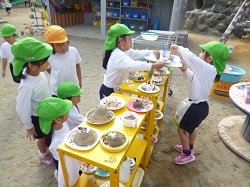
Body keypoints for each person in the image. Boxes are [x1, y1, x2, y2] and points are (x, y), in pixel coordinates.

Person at [170, 41, 229, 165]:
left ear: (209, 58)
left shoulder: (209, 69)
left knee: (181, 129)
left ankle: (187, 154)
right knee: (191, 129)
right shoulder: (207, 72)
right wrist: (185, 69)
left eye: (202, 52)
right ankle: (189, 147)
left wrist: (180, 48)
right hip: (200, 107)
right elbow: (192, 78)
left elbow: (191, 59)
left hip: (196, 107)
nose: (199, 53)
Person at [11, 37, 54, 165]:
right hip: (37, 117)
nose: (49, 63)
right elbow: (21, 107)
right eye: (45, 61)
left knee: (48, 134)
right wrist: (29, 126)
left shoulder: (37, 72)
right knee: (41, 138)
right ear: (31, 65)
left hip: (46, 112)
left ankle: (49, 149)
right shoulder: (27, 86)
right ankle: (43, 155)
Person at [99, 23, 166, 100]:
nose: (131, 41)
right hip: (107, 90)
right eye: (129, 38)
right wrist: (153, 66)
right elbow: (133, 65)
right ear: (121, 40)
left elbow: (139, 53)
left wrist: (153, 51)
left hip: (114, 88)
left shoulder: (124, 51)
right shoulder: (117, 54)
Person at [37, 97, 81, 186]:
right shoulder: (58, 141)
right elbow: (67, 162)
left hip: (65, 156)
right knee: (69, 179)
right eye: (67, 111)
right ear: (58, 120)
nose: (69, 111)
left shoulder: (61, 125)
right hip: (64, 163)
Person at [44, 25, 82, 96]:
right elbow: (48, 69)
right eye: (58, 45)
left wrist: (79, 81)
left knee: (73, 105)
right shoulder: (49, 56)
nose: (63, 47)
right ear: (51, 45)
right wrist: (58, 75)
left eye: (64, 44)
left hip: (73, 86)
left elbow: (77, 66)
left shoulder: (73, 51)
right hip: (57, 89)